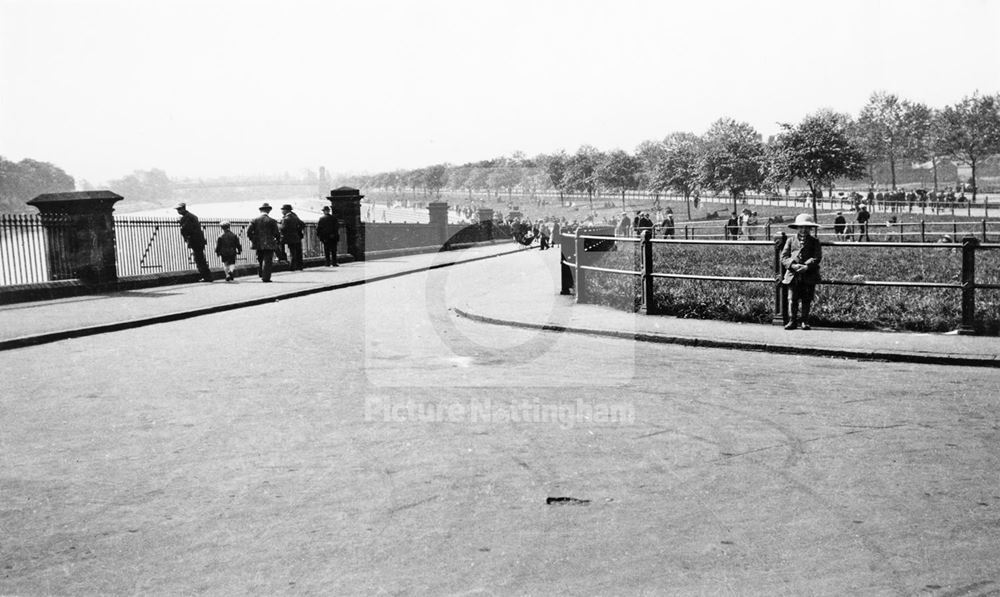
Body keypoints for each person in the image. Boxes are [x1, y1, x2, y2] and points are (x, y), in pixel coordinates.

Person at [781, 213, 823, 330]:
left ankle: (804, 321)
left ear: (810, 228)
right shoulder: (790, 240)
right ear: (797, 228)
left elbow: (817, 257)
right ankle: (792, 320)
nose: (804, 230)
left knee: (806, 298)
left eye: (806, 227)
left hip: (808, 274)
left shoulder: (814, 241)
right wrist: (793, 265)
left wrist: (807, 266)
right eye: (801, 227)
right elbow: (783, 257)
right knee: (792, 298)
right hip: (793, 274)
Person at [175, 202, 213, 282]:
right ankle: (207, 276)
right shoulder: (193, 216)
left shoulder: (186, 218)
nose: (178, 211)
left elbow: (186, 230)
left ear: (183, 208)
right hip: (199, 240)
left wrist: (180, 223)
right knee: (201, 258)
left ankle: (206, 276)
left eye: (179, 209)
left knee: (199, 259)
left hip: (195, 241)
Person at [246, 202, 281, 282]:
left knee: (260, 258)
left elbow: (248, 231)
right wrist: (277, 240)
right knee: (267, 260)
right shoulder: (272, 221)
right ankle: (266, 277)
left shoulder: (254, 220)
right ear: (269, 211)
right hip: (269, 243)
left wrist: (252, 239)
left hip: (258, 243)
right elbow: (276, 233)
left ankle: (261, 273)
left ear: (260, 211)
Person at [279, 204, 305, 270]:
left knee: (290, 251)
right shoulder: (295, 217)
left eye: (283, 210)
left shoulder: (286, 219)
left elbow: (283, 228)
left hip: (288, 237)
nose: (282, 211)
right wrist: (297, 230)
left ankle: (290, 265)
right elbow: (302, 224)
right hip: (296, 236)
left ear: (286, 210)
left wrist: (278, 226)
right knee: (295, 252)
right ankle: (299, 266)